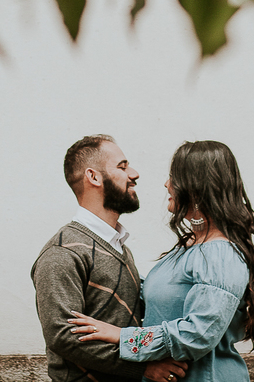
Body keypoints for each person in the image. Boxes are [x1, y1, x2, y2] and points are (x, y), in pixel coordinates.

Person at [67, 141, 254, 382]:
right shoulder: (188, 249)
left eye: (173, 177)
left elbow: (198, 334)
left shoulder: (220, 255)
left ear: (196, 186)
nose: (166, 184)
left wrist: (121, 336)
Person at [32, 134, 190, 382]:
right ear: (93, 177)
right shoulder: (63, 252)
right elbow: (64, 335)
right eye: (123, 166)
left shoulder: (118, 246)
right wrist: (142, 368)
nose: (134, 173)